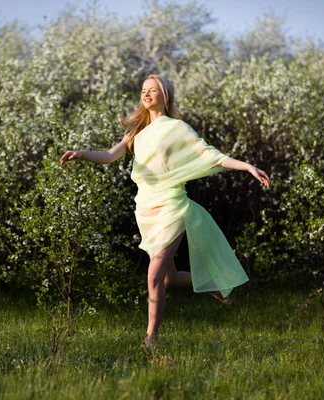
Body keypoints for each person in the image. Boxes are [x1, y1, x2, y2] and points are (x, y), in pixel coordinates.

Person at [60, 74, 270, 344]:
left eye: (153, 90)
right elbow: (109, 156)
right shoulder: (136, 132)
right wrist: (80, 153)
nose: (146, 94)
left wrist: (248, 167)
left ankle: (151, 338)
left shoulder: (178, 127)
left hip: (172, 206)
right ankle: (214, 284)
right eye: (144, 91)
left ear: (165, 95)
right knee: (168, 278)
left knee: (154, 274)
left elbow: (211, 154)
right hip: (146, 208)